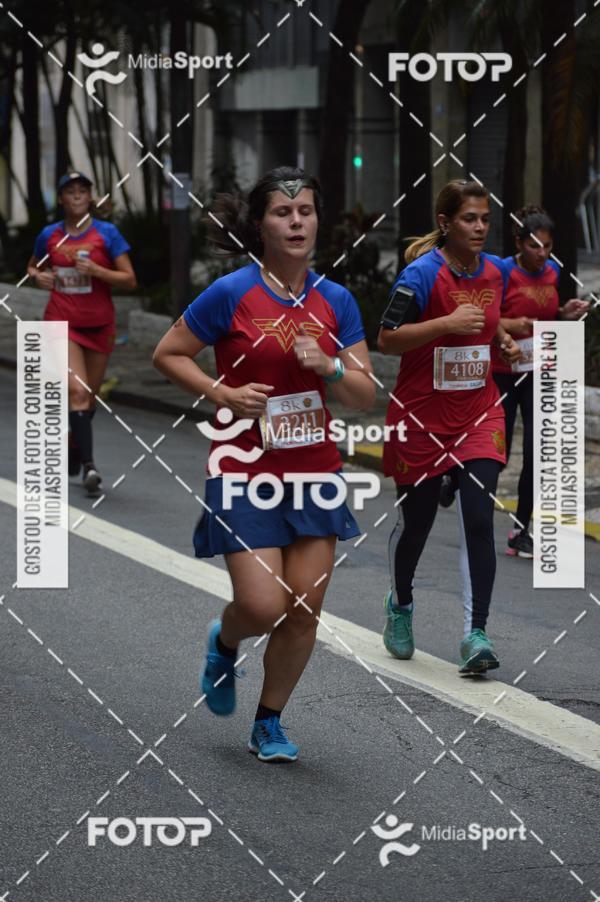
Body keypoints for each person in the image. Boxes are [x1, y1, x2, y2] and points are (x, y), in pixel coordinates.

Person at [153, 166, 375, 762]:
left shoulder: (337, 300)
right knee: (262, 604)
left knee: (304, 607)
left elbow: (362, 393)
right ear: (261, 224)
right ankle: (225, 642)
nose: (296, 221)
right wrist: (221, 393)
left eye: (305, 211)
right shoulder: (232, 292)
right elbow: (168, 353)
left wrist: (330, 366)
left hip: (314, 470)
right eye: (283, 212)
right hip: (243, 466)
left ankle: (268, 723)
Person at [378, 179, 520, 675]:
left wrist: (500, 338)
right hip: (420, 417)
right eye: (469, 219)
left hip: (480, 413)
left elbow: (486, 316)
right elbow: (386, 339)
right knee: (416, 523)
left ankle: (475, 633)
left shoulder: (496, 272)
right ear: (446, 223)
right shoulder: (419, 275)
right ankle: (400, 604)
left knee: (479, 519)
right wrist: (443, 326)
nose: (480, 227)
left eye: (484, 219)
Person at [27, 171, 137, 494]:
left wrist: (98, 271)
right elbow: (34, 265)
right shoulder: (49, 235)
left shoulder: (107, 234)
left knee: (88, 398)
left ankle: (73, 445)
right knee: (76, 391)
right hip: (62, 321)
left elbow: (130, 280)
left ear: (90, 197)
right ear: (61, 199)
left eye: (82, 190)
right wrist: (37, 276)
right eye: (70, 191)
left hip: (100, 324)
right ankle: (90, 466)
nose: (76, 195)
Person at [492, 205, 589, 558]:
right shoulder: (501, 271)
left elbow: (546, 316)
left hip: (538, 372)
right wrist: (509, 332)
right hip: (502, 374)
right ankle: (452, 480)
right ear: (519, 243)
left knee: (537, 452)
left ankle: (520, 530)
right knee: (496, 454)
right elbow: (490, 317)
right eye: (535, 246)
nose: (543, 254)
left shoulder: (550, 274)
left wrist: (565, 313)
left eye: (547, 247)